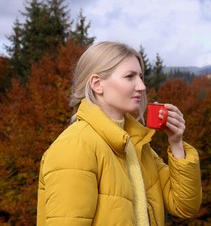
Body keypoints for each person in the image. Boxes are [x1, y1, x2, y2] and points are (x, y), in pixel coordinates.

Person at [37, 41, 202, 225]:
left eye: (140, 76)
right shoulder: (75, 146)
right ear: (97, 84)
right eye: (130, 77)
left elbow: (184, 206)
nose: (141, 86)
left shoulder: (137, 145)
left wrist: (176, 143)